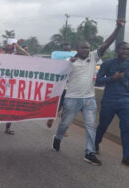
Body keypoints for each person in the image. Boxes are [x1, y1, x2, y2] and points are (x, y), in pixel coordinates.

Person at [52, 19, 125, 166]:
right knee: (65, 124)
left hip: (89, 99)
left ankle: (89, 152)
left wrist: (118, 28)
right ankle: (58, 137)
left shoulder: (93, 57)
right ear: (77, 49)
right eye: (83, 48)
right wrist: (68, 64)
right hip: (72, 99)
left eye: (88, 48)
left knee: (91, 125)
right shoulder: (69, 60)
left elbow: (106, 43)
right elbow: (57, 75)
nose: (86, 50)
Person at [94, 41, 129, 166]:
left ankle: (126, 157)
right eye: (123, 49)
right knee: (103, 125)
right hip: (109, 101)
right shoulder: (107, 64)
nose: (126, 51)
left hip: (125, 101)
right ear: (117, 50)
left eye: (127, 49)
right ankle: (96, 143)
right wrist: (112, 78)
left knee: (127, 127)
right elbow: (98, 81)